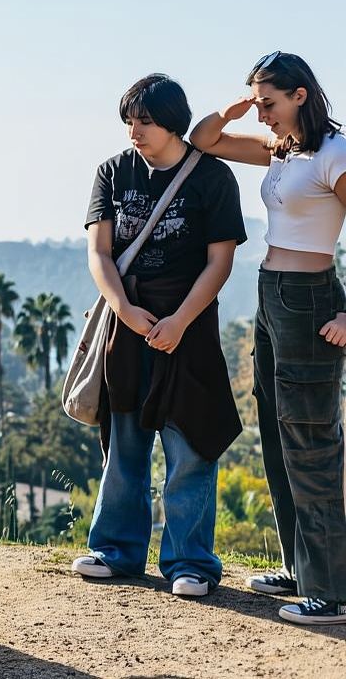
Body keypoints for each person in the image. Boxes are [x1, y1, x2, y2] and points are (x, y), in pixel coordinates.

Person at [71, 74, 245, 598]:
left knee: (190, 441)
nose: (134, 132)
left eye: (144, 121)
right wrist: (124, 309)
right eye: (129, 121)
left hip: (188, 322)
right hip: (128, 322)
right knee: (124, 439)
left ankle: (191, 562)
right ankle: (115, 552)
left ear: (172, 121)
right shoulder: (113, 172)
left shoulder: (212, 178)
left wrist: (180, 321)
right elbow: (99, 252)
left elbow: (220, 261)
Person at [189, 51, 346, 625]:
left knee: (311, 440)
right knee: (278, 433)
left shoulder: (336, 153)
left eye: (270, 102)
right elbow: (205, 139)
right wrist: (239, 103)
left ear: (301, 95)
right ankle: (301, 567)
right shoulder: (283, 152)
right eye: (258, 103)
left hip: (310, 299)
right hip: (271, 294)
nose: (262, 115)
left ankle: (331, 592)